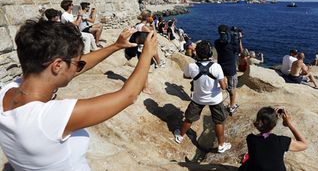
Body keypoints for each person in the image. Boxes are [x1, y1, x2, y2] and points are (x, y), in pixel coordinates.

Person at [0, 19, 158, 170]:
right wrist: (147, 54)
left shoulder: (7, 91)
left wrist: (115, 46)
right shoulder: (49, 118)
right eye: (77, 63)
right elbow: (128, 96)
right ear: (57, 66)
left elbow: (67, 69)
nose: (78, 68)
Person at [174, 41, 232, 153]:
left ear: (197, 53)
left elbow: (185, 76)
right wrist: (224, 80)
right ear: (210, 53)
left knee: (189, 118)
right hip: (215, 99)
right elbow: (223, 87)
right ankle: (221, 145)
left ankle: (180, 136)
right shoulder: (216, 67)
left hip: (198, 98)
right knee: (219, 122)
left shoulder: (191, 66)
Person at [239, 107, 308, 171]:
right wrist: (289, 124)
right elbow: (304, 145)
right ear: (274, 125)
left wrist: (271, 116)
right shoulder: (281, 141)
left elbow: (263, 139)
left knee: (246, 164)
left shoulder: (251, 139)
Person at [214, 25, 242, 115]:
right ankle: (232, 106)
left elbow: (223, 42)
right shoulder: (231, 44)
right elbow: (240, 51)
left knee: (222, 84)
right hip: (230, 69)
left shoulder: (216, 43)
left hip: (220, 68)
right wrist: (239, 39)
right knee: (233, 88)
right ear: (227, 33)